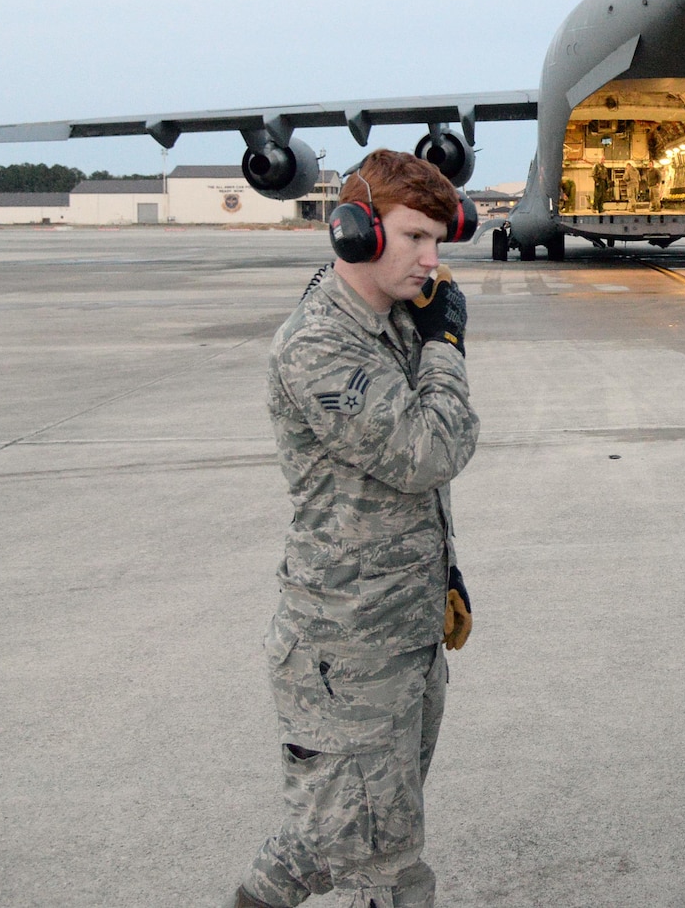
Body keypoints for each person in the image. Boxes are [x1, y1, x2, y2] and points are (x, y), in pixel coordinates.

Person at [231, 148, 478, 908]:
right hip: (349, 648)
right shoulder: (317, 346)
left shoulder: (393, 320)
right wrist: (447, 346)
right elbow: (431, 446)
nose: (432, 261)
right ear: (355, 234)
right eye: (414, 238)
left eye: (439, 239)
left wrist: (443, 570)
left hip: (404, 627)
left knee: (330, 833)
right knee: (388, 859)